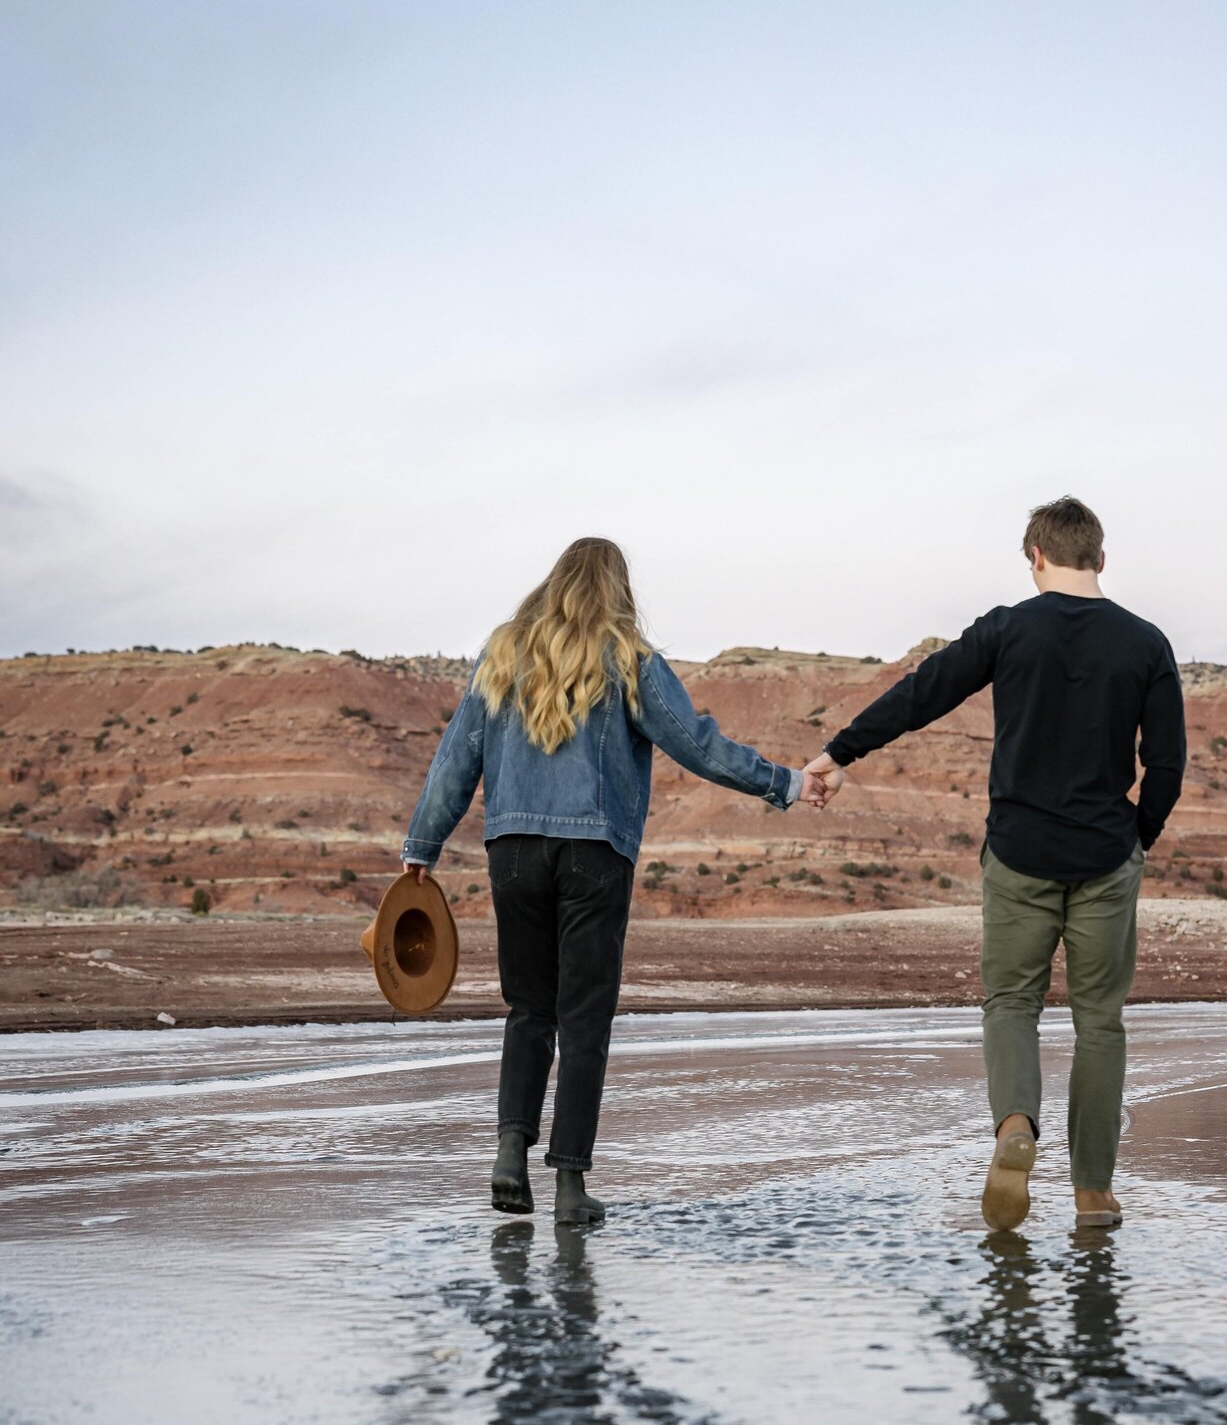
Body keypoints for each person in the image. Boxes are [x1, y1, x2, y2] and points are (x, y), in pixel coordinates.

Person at [401, 536, 826, 1225]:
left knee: (528, 1009)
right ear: (617, 588)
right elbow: (697, 743)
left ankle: (510, 1152)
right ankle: (570, 1188)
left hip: (512, 850)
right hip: (593, 854)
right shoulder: (629, 657)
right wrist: (787, 782)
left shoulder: (504, 650)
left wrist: (423, 844)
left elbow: (457, 757)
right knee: (584, 1019)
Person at [804, 495, 1185, 1234]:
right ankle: (1093, 1192)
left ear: (1034, 558)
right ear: (1100, 559)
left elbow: (925, 692)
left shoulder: (1009, 626)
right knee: (1099, 1021)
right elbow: (1165, 762)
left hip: (1018, 853)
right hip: (1106, 854)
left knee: (1011, 1003)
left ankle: (1016, 1127)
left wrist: (840, 751)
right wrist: (1137, 836)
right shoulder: (1146, 643)